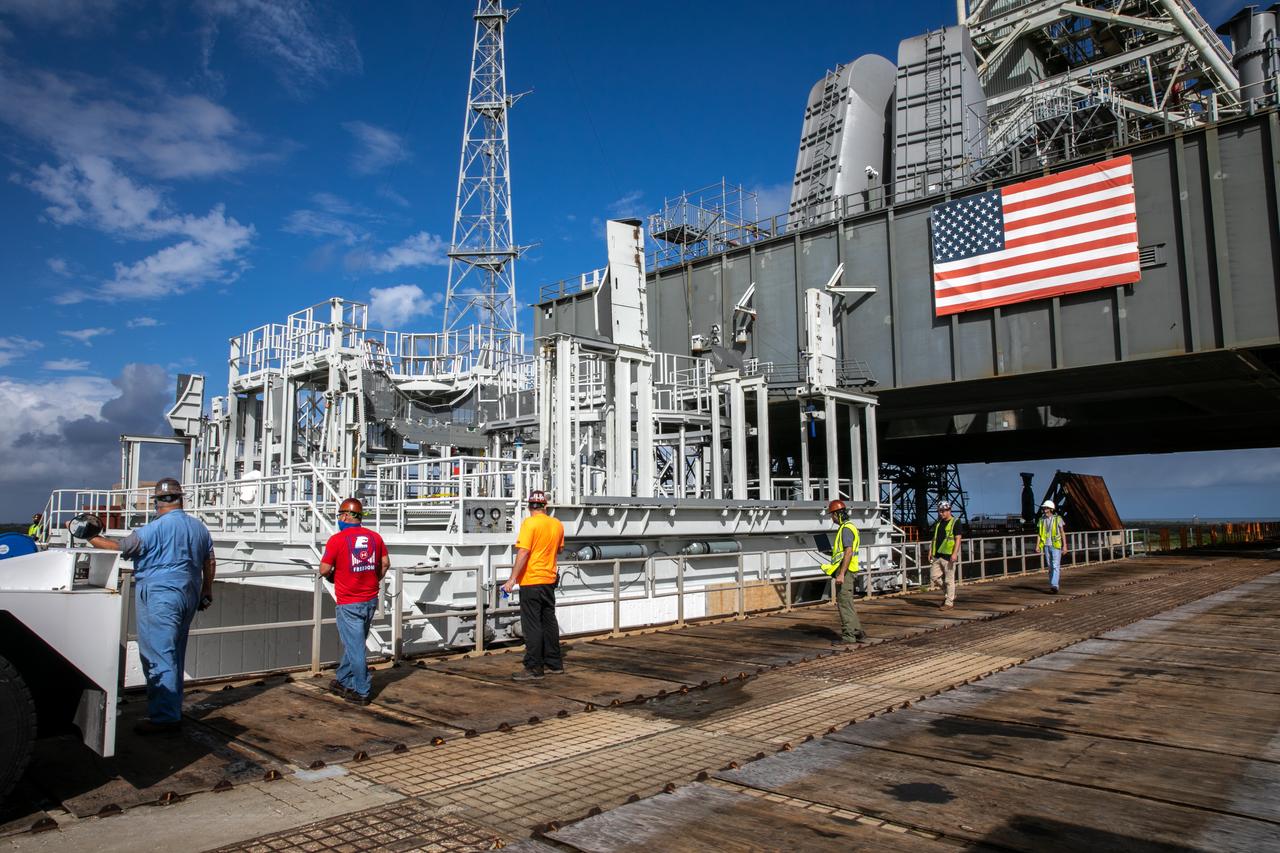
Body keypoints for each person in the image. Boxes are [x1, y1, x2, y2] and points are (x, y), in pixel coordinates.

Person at [79, 478, 215, 735]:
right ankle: (171, 711)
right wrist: (207, 590)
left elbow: (117, 547)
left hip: (160, 596)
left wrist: (88, 535)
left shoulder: (153, 529)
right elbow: (209, 559)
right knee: (174, 653)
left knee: (158, 656)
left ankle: (165, 719)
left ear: (157, 502)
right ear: (180, 499)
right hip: (189, 594)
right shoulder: (199, 528)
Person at [319, 498, 389, 705]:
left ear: (347, 516)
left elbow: (324, 569)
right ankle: (343, 680)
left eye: (340, 515)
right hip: (369, 599)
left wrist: (331, 574)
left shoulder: (337, 540)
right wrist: (374, 578)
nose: (339, 518)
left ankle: (361, 690)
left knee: (356, 648)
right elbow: (385, 563)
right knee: (355, 644)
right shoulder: (375, 537)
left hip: (349, 602)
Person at [502, 490, 565, 681]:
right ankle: (554, 663)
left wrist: (512, 579)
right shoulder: (557, 524)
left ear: (530, 507)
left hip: (531, 581)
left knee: (532, 625)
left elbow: (523, 553)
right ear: (545, 506)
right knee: (549, 621)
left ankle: (534, 667)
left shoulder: (529, 523)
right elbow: (559, 549)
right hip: (549, 579)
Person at [820, 499, 866, 645]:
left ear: (837, 514)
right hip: (848, 570)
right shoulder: (849, 527)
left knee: (844, 603)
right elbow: (842, 551)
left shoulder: (845, 529)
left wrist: (841, 574)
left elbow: (848, 551)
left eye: (832, 515)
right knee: (848, 603)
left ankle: (848, 636)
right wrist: (831, 553)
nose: (832, 518)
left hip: (846, 572)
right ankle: (857, 631)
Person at [926, 500, 963, 609]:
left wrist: (955, 553)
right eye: (940, 511)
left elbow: (958, 538)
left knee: (949, 579)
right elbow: (935, 538)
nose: (941, 513)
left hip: (948, 555)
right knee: (934, 576)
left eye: (943, 511)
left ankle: (949, 602)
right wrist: (930, 551)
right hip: (937, 555)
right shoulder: (939, 523)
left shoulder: (956, 522)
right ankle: (950, 594)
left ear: (949, 510)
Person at [1036, 499, 1067, 594]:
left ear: (1050, 509)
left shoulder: (1058, 519)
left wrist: (1065, 546)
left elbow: (1062, 532)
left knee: (1055, 565)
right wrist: (1037, 545)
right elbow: (1039, 534)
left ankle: (1054, 585)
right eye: (1044, 507)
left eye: (1046, 507)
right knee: (1050, 567)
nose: (1044, 509)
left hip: (1056, 546)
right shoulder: (1041, 520)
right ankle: (1052, 585)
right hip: (1046, 545)